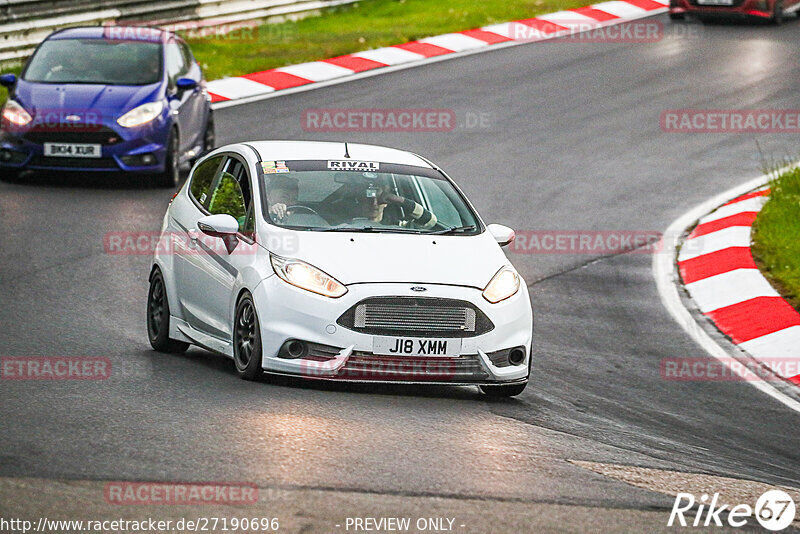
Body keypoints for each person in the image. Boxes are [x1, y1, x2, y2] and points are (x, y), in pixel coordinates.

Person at [345, 175, 438, 229]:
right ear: (360, 200)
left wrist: (400, 200)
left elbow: (431, 221)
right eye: (369, 198)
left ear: (386, 202)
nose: (374, 203)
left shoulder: (400, 227)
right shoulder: (345, 226)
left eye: (379, 199)